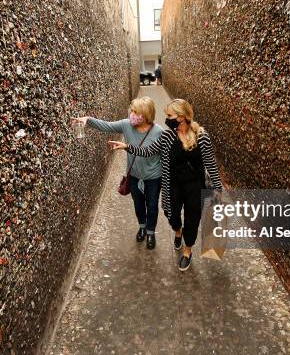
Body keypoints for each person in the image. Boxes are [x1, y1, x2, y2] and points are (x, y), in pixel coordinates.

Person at [108, 98, 224, 271]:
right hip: (173, 184)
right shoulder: (168, 136)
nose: (166, 119)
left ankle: (187, 251)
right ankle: (178, 232)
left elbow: (210, 164)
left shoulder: (202, 136)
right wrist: (127, 147)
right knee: (171, 214)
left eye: (170, 115)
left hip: (195, 186)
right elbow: (148, 151)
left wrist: (217, 188)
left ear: (182, 116)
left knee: (193, 219)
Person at [71, 97, 163, 249]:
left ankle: (151, 232)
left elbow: (163, 156)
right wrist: (88, 120)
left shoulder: (158, 132)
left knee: (152, 205)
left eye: (136, 112)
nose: (132, 114)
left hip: (153, 176)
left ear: (146, 114)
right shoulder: (126, 125)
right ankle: (142, 226)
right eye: (132, 110)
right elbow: (106, 126)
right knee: (138, 203)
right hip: (133, 175)